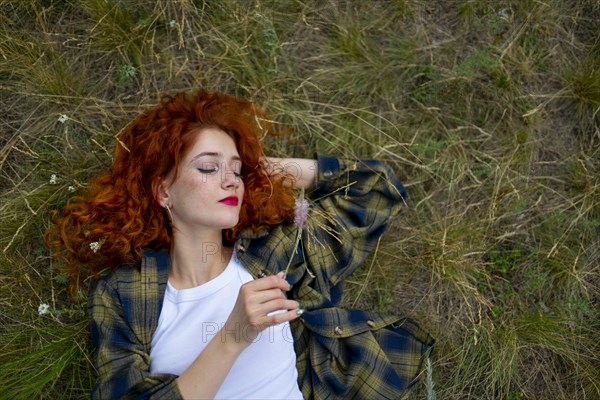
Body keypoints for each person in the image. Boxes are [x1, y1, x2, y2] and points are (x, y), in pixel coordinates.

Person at [45, 89, 434, 399]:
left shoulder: (274, 253)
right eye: (208, 168)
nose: (231, 180)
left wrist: (264, 170)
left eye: (235, 170)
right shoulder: (125, 294)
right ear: (163, 191)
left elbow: (378, 189)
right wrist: (233, 335)